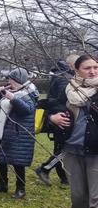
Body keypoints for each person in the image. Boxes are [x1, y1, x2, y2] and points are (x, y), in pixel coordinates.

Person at [50, 54, 98, 208]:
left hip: (96, 152)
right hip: (72, 151)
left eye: (95, 67)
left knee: (96, 201)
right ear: (77, 71)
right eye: (87, 68)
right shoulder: (68, 89)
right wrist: (52, 118)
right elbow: (51, 106)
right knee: (78, 199)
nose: (92, 71)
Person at [0, 68, 38, 199]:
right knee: (1, 159)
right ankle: (2, 185)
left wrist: (13, 98)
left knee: (18, 163)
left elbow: (27, 110)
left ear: (18, 80)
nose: (8, 81)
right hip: (4, 132)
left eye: (11, 79)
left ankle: (20, 189)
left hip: (19, 134)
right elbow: (1, 105)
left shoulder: (29, 93)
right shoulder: (13, 90)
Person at [35, 55, 78, 186]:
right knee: (65, 149)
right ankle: (45, 168)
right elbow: (61, 101)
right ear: (72, 66)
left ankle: (64, 178)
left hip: (60, 116)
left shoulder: (59, 76)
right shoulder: (65, 79)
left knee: (61, 148)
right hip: (64, 117)